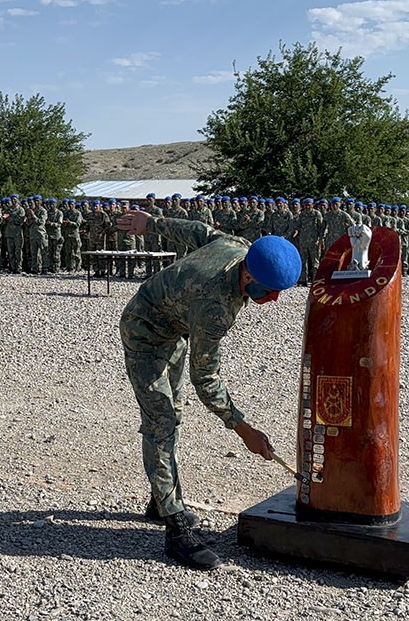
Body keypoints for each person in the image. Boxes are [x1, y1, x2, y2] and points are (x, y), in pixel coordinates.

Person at [117, 209, 300, 571]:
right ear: (248, 273)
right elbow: (208, 379)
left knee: (175, 413)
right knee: (161, 422)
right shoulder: (216, 306)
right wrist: (243, 428)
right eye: (266, 291)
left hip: (173, 326)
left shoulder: (236, 246)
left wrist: (153, 223)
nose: (270, 300)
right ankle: (175, 530)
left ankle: (160, 497)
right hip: (144, 331)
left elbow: (197, 231)